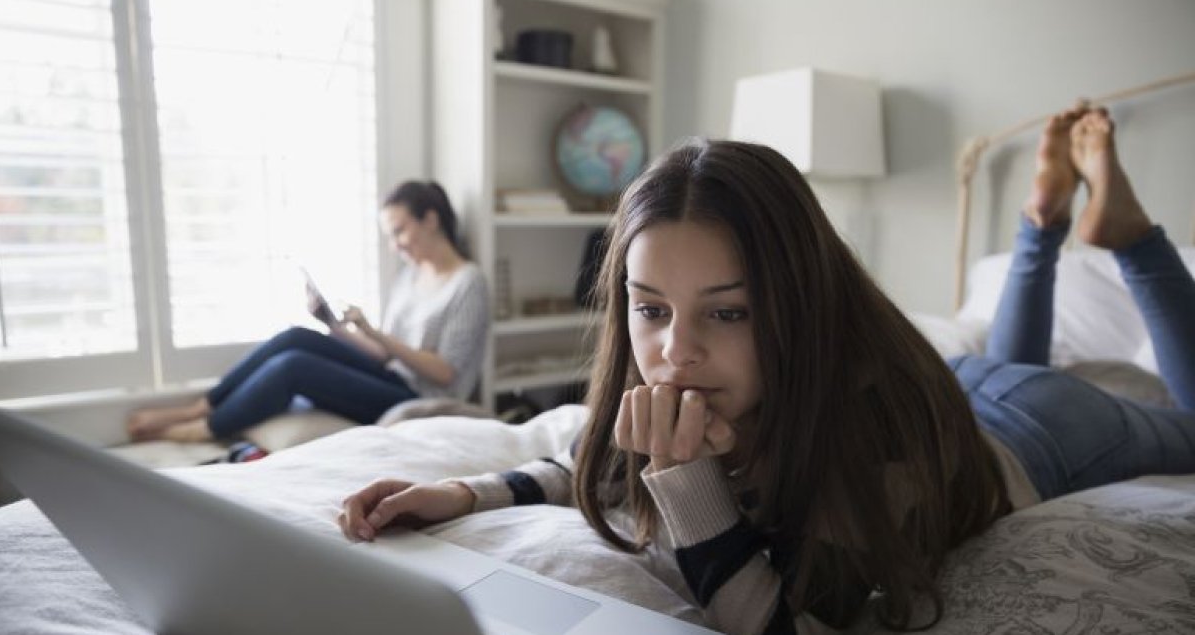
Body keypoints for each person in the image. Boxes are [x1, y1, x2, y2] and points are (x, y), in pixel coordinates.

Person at [336, 110, 1195, 634]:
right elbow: (599, 464)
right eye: (651, 306)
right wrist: (467, 493)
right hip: (970, 374)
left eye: (729, 310)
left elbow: (784, 624)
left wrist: (689, 482)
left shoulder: (878, 442)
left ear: (799, 302)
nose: (676, 349)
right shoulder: (687, 378)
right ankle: (1041, 223)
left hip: (1044, 428)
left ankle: (1133, 242)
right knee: (1000, 354)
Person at [127, 180, 490, 444]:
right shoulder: (410, 275)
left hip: (423, 399)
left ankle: (205, 428)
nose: (395, 246)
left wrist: (376, 332)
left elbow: (445, 374)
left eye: (400, 232)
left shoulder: (467, 283)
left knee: (294, 367)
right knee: (295, 337)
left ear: (430, 219)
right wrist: (333, 325)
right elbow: (383, 357)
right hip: (392, 378)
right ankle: (198, 408)